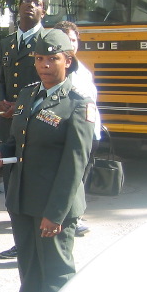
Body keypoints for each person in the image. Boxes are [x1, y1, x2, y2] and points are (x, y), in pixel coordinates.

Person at [0, 29, 96, 292]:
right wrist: (2, 152)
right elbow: (18, 140)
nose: (44, 64)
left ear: (67, 60)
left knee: (57, 273)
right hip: (22, 199)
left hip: (52, 205)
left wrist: (56, 213)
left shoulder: (78, 104)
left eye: (52, 58)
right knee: (29, 268)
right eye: (39, 58)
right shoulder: (29, 94)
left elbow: (75, 164)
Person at [0, 0, 47, 259]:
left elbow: (48, 83)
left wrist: (23, 107)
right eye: (26, 1)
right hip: (8, 120)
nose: (30, 6)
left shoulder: (48, 41)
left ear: (44, 11)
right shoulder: (7, 42)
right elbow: (1, 79)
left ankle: (36, 232)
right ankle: (19, 236)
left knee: (32, 176)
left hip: (35, 120)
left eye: (36, 3)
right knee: (11, 178)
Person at [55, 21, 102, 236]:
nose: (71, 44)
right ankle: (64, 218)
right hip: (66, 131)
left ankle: (74, 217)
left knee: (80, 176)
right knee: (66, 175)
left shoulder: (83, 71)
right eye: (66, 40)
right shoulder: (56, 71)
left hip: (89, 131)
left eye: (74, 40)